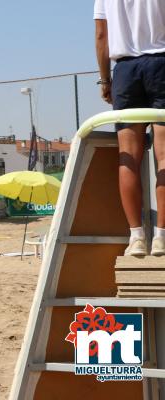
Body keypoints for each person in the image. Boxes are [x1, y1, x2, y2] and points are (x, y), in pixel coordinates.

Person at [94, 0, 165, 256]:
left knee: (128, 158)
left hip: (125, 70)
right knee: (164, 157)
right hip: (162, 64)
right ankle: (161, 237)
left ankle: (136, 236)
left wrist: (105, 79)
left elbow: (102, 36)